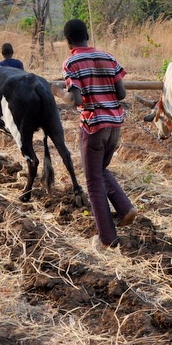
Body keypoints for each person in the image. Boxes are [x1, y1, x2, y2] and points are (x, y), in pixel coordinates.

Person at [51, 19, 138, 250]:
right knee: (100, 170)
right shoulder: (108, 57)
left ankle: (107, 238)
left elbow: (75, 100)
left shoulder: (72, 61)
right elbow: (121, 93)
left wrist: (58, 91)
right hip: (115, 127)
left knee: (93, 182)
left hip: (93, 127)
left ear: (68, 40)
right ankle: (125, 208)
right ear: (87, 35)